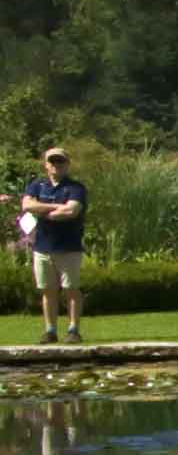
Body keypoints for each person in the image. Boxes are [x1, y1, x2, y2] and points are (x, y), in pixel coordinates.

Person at [21, 147, 85, 343]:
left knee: (71, 289)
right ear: (46, 165)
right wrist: (56, 207)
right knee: (48, 290)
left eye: (60, 161)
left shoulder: (75, 188)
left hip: (69, 247)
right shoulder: (37, 185)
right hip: (42, 247)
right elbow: (27, 206)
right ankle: (50, 330)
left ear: (67, 164)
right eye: (53, 161)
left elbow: (70, 212)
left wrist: (43, 210)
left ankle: (73, 330)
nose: (56, 165)